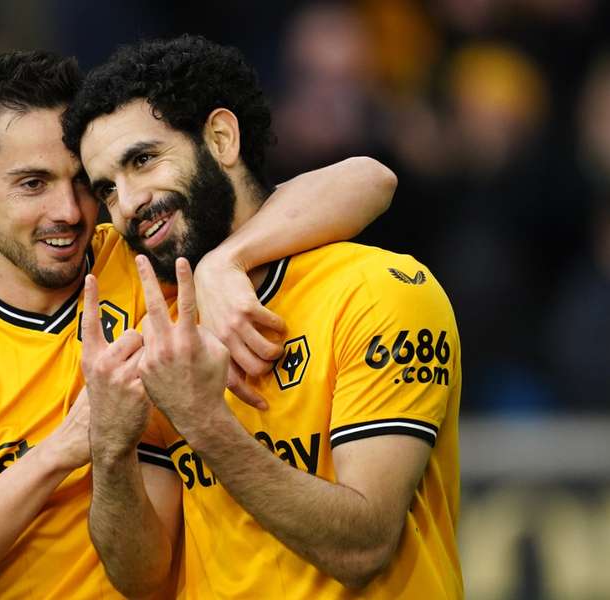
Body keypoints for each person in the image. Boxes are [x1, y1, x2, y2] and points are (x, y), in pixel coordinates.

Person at [0, 50, 397, 599]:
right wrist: (66, 448)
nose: (68, 211)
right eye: (32, 184)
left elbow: (368, 179)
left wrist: (224, 261)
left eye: (83, 184)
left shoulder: (140, 254)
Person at [63, 34, 462, 598]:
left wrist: (202, 420)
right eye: (107, 189)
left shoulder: (378, 292)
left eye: (144, 160)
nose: (127, 204)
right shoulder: (155, 321)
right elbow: (143, 579)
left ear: (222, 137)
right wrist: (107, 445)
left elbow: (364, 546)